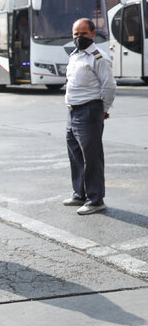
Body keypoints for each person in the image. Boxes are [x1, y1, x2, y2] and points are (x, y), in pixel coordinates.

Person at [62, 18, 116, 215]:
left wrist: (104, 108)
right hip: (73, 110)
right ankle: (80, 194)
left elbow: (109, 86)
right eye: (76, 34)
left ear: (93, 34)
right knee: (75, 154)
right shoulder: (75, 55)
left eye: (83, 33)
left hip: (89, 110)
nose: (79, 37)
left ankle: (95, 199)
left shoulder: (98, 57)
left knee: (91, 157)